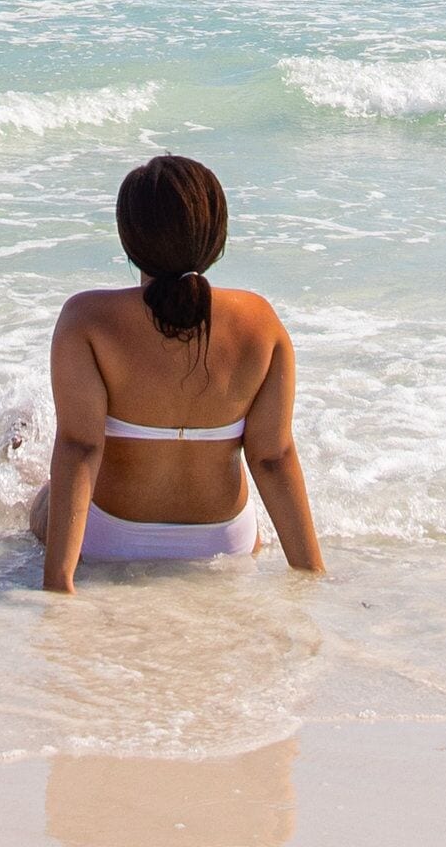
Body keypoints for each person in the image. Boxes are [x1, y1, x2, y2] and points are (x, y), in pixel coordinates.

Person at [28, 154, 324, 590]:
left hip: (109, 536)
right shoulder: (260, 322)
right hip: (224, 540)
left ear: (129, 241)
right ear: (216, 237)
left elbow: (79, 447)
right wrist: (311, 573)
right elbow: (273, 458)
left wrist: (58, 583)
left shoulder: (87, 319)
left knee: (41, 498)